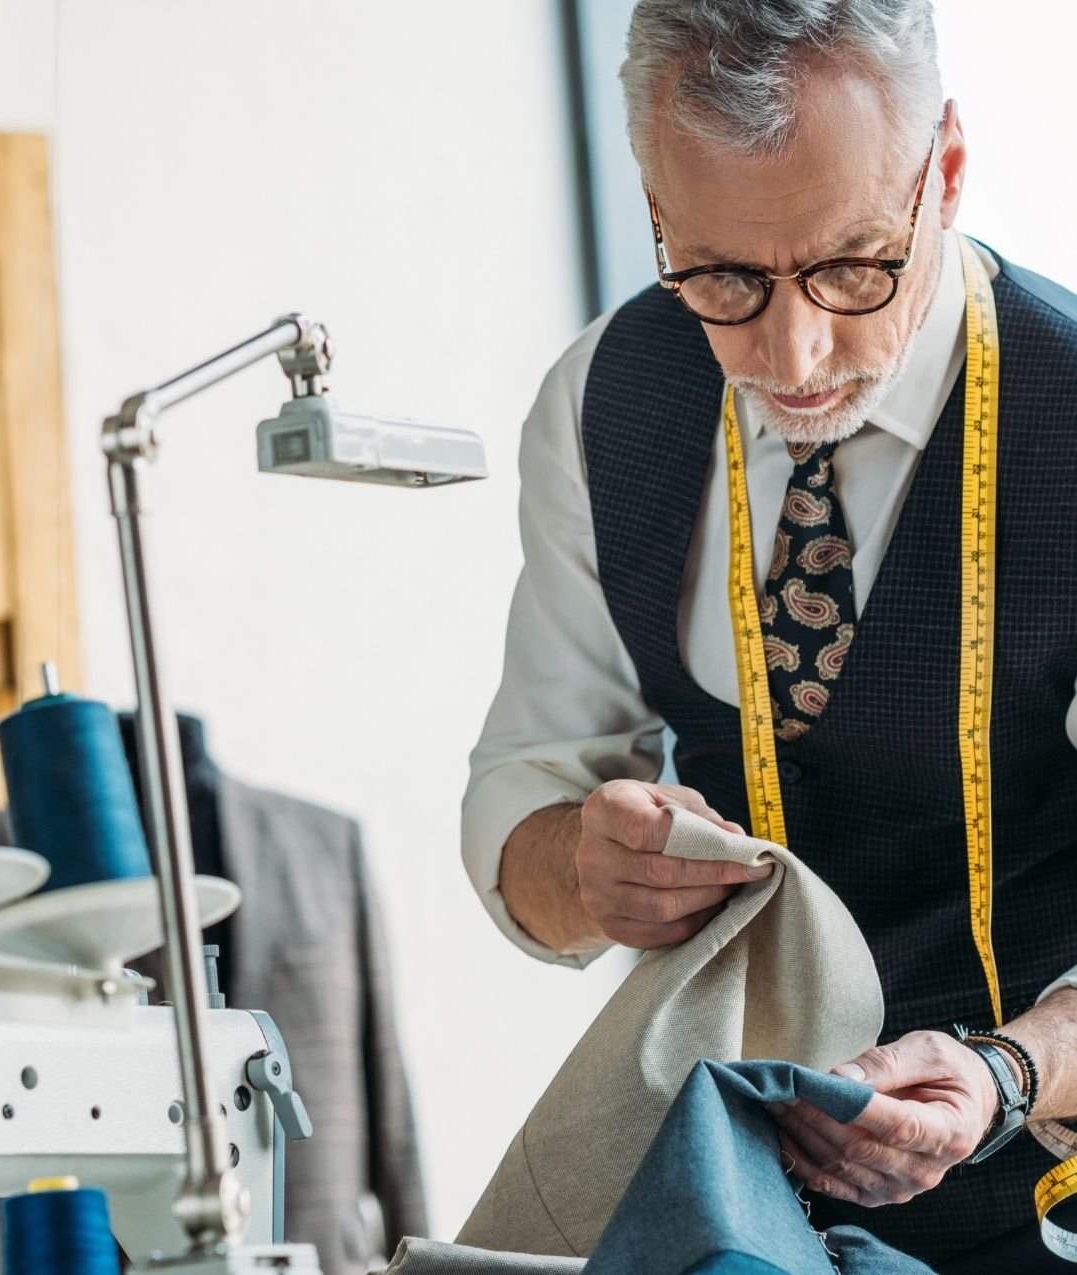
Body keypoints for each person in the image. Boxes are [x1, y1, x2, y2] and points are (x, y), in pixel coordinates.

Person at [463, 2, 1077, 1268]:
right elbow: (524, 794)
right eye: (723, 276)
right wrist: (587, 869)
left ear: (945, 173)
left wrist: (1012, 1074)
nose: (792, 353)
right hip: (763, 1211)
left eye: (855, 266)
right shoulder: (601, 406)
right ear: (654, 198)